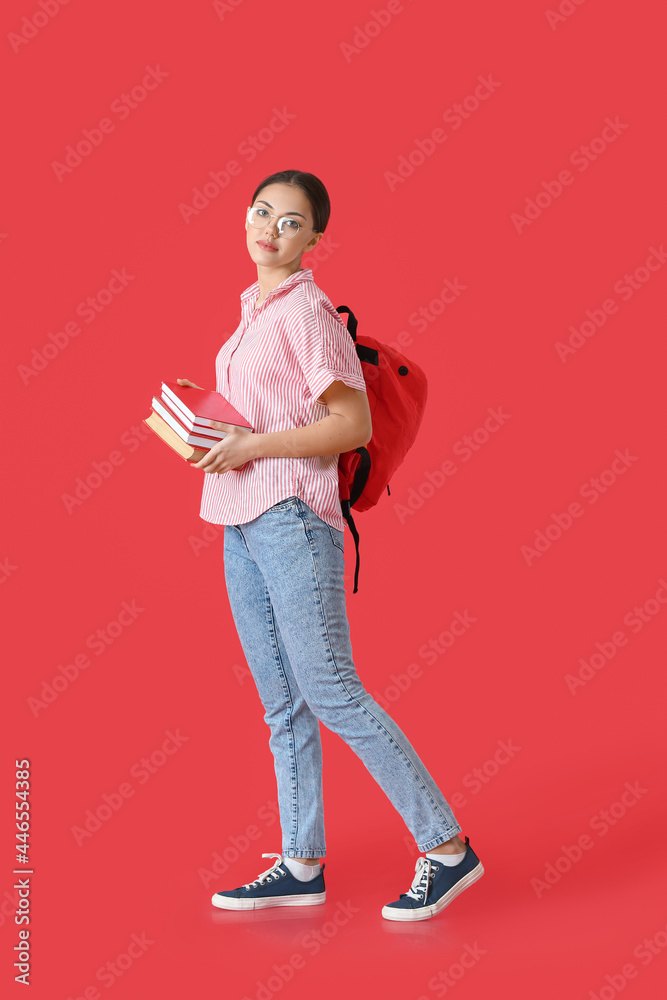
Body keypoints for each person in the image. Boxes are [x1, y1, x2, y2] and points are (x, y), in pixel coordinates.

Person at [179, 169, 484, 921]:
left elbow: (353, 428)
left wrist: (251, 445)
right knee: (281, 705)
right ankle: (299, 862)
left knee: (331, 692)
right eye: (259, 212)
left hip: (289, 518)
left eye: (288, 221)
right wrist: (213, 426)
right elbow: (264, 419)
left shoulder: (306, 311)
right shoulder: (252, 310)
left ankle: (446, 850)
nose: (268, 228)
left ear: (314, 238)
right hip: (239, 519)